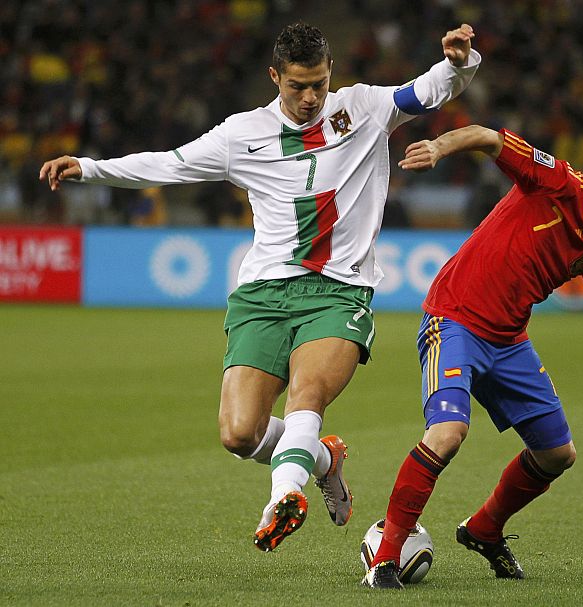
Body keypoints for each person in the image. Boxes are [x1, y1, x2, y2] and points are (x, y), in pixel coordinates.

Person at [39, 22, 481, 553]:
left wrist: (457, 63)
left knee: (307, 393)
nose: (310, 96)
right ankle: (322, 458)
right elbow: (168, 164)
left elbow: (430, 89)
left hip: (338, 290)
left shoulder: (364, 108)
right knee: (239, 433)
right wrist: (87, 168)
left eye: (318, 83)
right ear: (275, 77)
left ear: (330, 74)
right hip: (264, 294)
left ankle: (284, 495)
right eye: (297, 86)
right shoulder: (239, 135)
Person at [362, 125, 583, 589]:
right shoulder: (555, 179)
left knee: (558, 454)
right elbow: (488, 136)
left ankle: (483, 528)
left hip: (509, 341)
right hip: (454, 321)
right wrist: (439, 147)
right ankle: (385, 559)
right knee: (448, 432)